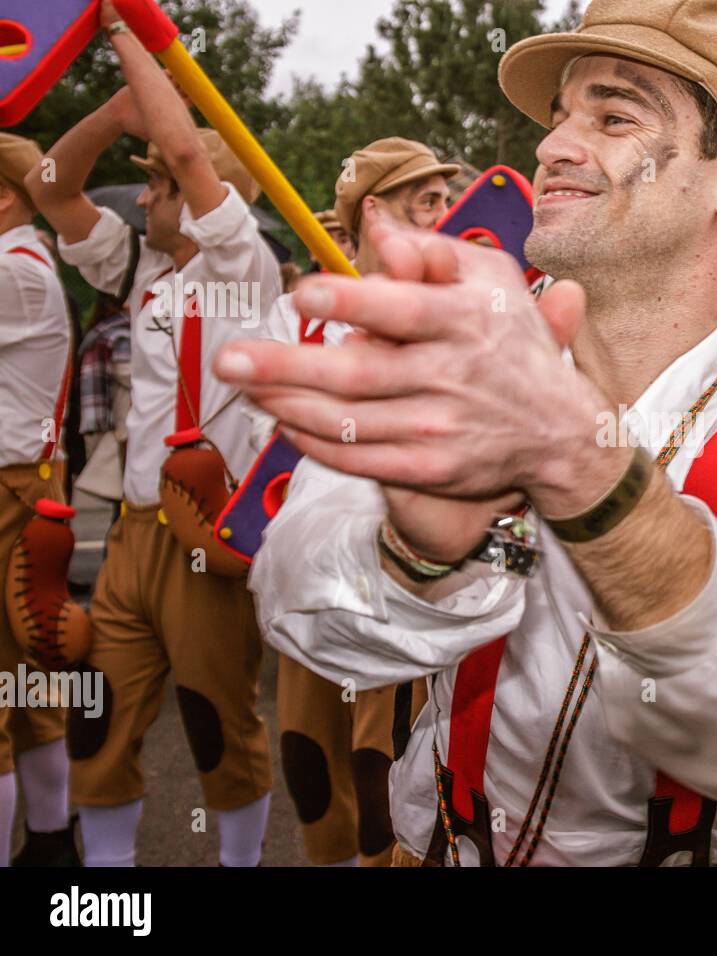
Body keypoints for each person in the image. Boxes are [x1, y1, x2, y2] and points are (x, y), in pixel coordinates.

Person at [226, 0, 717, 867]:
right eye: (560, 116)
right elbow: (299, 607)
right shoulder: (453, 354)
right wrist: (417, 552)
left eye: (613, 117)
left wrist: (583, 468)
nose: (551, 146)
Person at [25, 3, 281, 867]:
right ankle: (104, 902)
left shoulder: (243, 263)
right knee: (97, 717)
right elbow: (49, 187)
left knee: (217, 729)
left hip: (202, 533)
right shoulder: (141, 267)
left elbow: (184, 152)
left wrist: (120, 30)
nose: (146, 195)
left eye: (163, 190)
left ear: (208, 198)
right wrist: (113, 113)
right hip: (134, 535)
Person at [261, 138, 458, 867]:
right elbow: (272, 442)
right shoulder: (299, 316)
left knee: (384, 777)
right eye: (428, 201)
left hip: (398, 585)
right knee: (309, 766)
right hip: (313, 577)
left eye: (445, 200)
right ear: (374, 212)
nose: (445, 216)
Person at [0, 133, 78, 867]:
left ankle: (49, 844)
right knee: (25, 680)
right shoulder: (25, 263)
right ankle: (51, 844)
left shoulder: (11, 269)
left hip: (9, 484)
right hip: (24, 480)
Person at [75, 293, 132, 509]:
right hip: (125, 433)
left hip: (116, 431)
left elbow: (93, 411)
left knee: (123, 513)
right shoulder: (120, 334)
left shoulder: (99, 334)